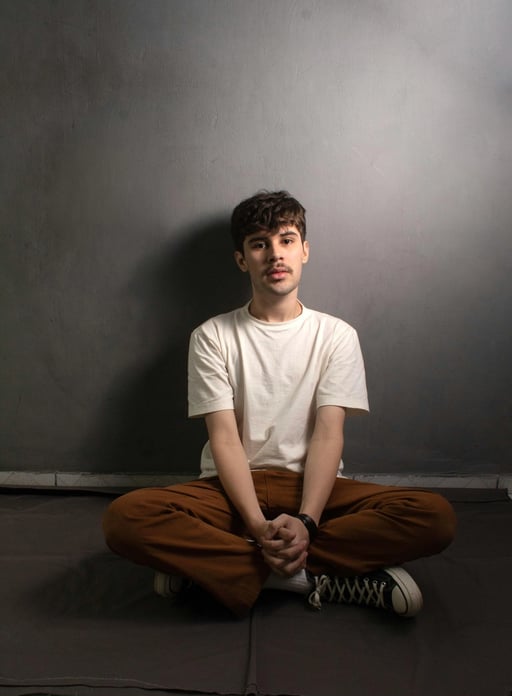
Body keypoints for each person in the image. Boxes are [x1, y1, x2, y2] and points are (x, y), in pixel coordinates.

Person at [103, 190, 456, 618]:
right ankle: (311, 577)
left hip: (313, 487)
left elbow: (328, 435)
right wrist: (256, 524)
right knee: (126, 518)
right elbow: (224, 440)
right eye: (260, 244)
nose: (275, 254)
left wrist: (306, 521)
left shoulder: (336, 335)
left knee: (434, 516)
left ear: (304, 250)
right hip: (232, 488)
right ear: (242, 259)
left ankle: (216, 569)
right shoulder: (212, 336)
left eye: (286, 240)